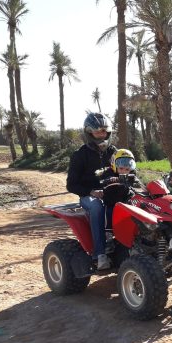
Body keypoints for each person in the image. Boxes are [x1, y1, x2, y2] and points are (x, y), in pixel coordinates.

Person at [66, 112, 116, 271]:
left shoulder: (114, 152)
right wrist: (91, 191)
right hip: (88, 197)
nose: (101, 135)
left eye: (104, 131)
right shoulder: (79, 155)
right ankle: (99, 254)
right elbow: (71, 185)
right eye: (97, 131)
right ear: (89, 133)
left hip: (111, 192)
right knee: (97, 207)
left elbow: (126, 169)